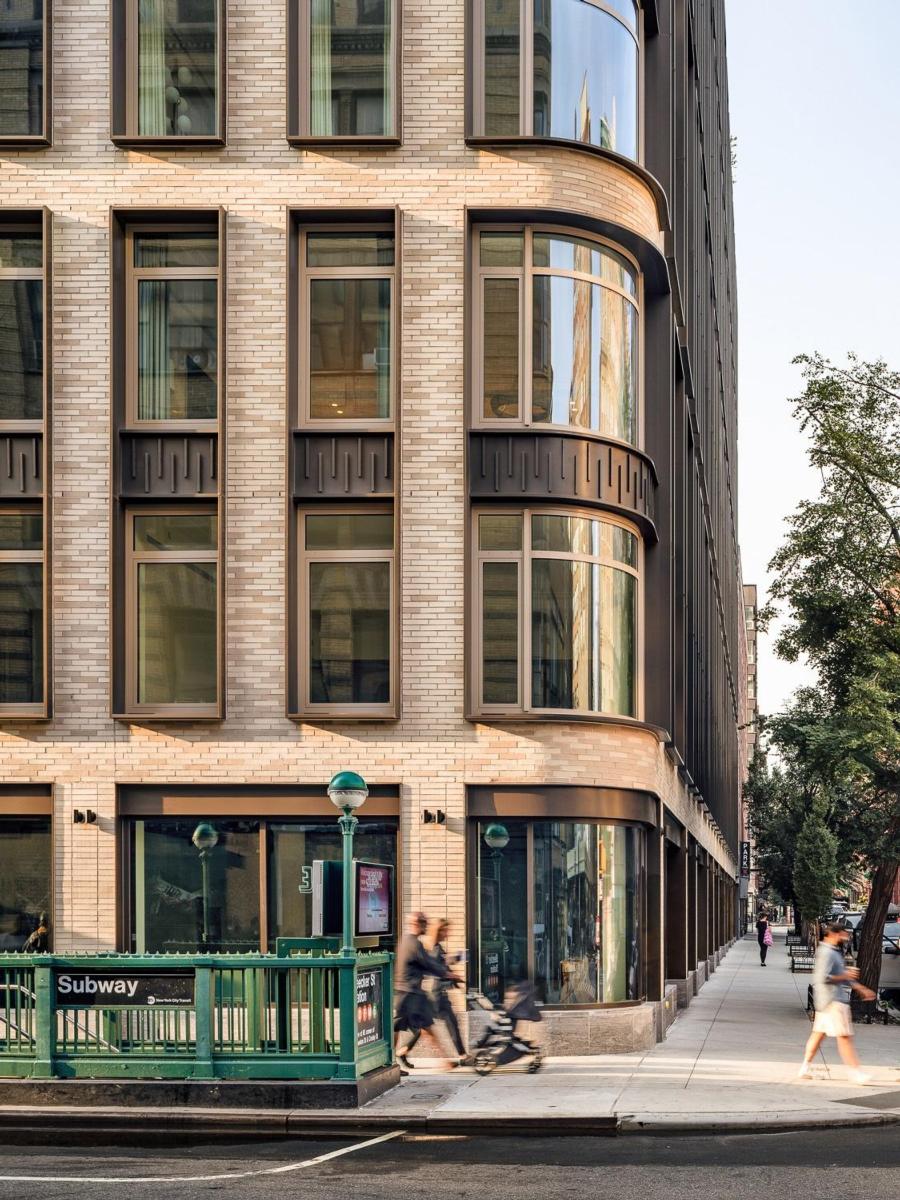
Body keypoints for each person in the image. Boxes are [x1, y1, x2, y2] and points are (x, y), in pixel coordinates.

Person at [798, 921, 876, 1084]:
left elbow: (841, 976)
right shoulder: (827, 952)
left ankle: (805, 1067)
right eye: (842, 933)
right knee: (844, 1036)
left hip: (826, 1000)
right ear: (833, 934)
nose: (845, 937)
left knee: (818, 1034)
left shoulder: (831, 951)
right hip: (833, 1001)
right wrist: (846, 976)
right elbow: (823, 978)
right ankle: (855, 1072)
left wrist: (861, 988)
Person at [393, 911, 461, 1074]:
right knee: (423, 1028)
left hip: (406, 992)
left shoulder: (406, 941)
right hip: (411, 993)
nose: (426, 926)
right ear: (416, 924)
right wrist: (448, 974)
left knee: (410, 1028)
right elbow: (428, 963)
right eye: (423, 922)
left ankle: (443, 1061)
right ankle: (444, 1062)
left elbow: (426, 964)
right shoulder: (414, 944)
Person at [426, 918, 469, 1065]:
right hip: (437, 994)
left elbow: (444, 963)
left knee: (423, 1026)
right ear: (440, 931)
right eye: (446, 930)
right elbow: (440, 969)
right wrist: (455, 976)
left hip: (437, 992)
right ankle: (462, 1055)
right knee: (452, 1023)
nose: (448, 933)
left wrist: (456, 978)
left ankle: (403, 1051)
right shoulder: (435, 949)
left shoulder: (437, 947)